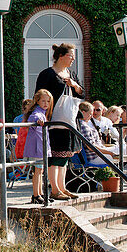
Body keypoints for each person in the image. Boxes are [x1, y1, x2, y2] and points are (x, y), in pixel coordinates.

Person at [35, 43, 84, 188]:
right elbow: (39, 95)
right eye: (71, 56)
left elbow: (82, 93)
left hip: (69, 120)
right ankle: (55, 188)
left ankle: (62, 187)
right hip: (53, 121)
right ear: (61, 56)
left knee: (65, 156)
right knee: (55, 156)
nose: (73, 59)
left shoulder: (72, 74)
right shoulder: (47, 74)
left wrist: (74, 85)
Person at [24, 89, 52, 203]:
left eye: (48, 101)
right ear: (37, 101)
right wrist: (38, 120)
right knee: (38, 171)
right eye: (43, 101)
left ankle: (40, 193)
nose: (46, 103)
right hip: (37, 146)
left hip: (42, 144)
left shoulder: (43, 113)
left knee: (40, 171)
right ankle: (36, 194)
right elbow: (33, 118)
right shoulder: (37, 112)